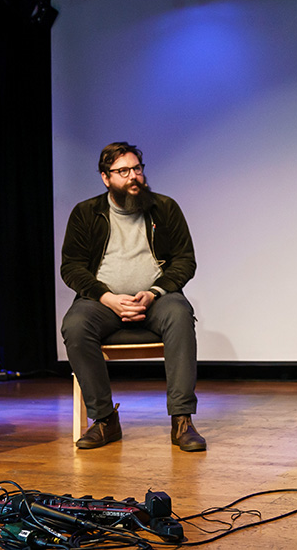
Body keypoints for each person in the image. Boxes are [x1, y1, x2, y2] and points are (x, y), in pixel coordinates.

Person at [60, 142, 205, 452]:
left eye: (137, 169)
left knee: (180, 313)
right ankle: (104, 421)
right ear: (105, 177)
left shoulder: (164, 208)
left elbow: (184, 260)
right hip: (103, 303)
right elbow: (71, 268)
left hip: (155, 300)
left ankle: (182, 421)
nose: (133, 177)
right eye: (123, 171)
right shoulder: (86, 213)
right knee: (75, 324)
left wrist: (154, 293)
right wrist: (106, 297)